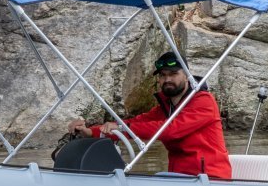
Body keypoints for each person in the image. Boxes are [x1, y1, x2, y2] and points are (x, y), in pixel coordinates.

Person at [68, 51, 233, 179]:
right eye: (162, 75)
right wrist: (91, 132)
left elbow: (170, 130)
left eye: (173, 74)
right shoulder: (166, 107)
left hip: (209, 179)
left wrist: (122, 128)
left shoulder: (204, 101)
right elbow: (135, 122)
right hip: (181, 178)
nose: (167, 79)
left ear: (186, 75)